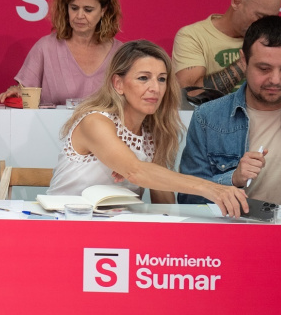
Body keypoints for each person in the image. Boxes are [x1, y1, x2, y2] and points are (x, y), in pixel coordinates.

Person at [46, 40, 248, 217]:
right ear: (118, 84)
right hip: (62, 225)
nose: (155, 88)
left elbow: (165, 206)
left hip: (115, 231)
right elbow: (136, 171)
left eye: (161, 79)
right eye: (143, 78)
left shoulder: (154, 134)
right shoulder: (95, 121)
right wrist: (211, 188)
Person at [178, 16, 281, 205]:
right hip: (234, 224)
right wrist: (232, 179)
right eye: (264, 68)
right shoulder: (208, 118)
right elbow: (188, 198)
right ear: (243, 61)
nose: (275, 79)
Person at [0, 0, 124, 106]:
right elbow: (25, 94)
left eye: (88, 10)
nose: (79, 16)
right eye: (74, 8)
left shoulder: (121, 53)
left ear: (103, 10)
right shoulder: (45, 48)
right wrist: (18, 92)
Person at [172, 0, 281, 102]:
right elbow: (191, 94)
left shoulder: (275, 39)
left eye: (271, 19)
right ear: (236, 2)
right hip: (212, 114)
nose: (265, 26)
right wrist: (246, 61)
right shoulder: (194, 36)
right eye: (260, 17)